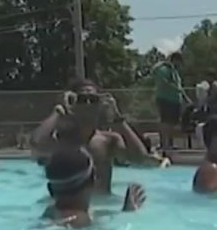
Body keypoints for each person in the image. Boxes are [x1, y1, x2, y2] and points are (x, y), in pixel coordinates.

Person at [31, 78, 167, 194]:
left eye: (94, 99)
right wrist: (59, 110)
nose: (89, 104)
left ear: (100, 105)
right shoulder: (60, 141)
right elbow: (36, 145)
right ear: (72, 104)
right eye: (83, 99)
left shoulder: (109, 141)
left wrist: (118, 120)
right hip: (68, 210)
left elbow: (140, 159)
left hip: (103, 209)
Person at [41, 147, 146, 228]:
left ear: (50, 189)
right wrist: (128, 216)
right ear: (93, 180)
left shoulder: (50, 212)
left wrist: (123, 211)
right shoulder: (80, 221)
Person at [152, 53, 188, 149]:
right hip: (165, 99)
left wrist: (186, 98)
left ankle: (170, 144)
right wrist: (175, 89)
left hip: (175, 100)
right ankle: (164, 144)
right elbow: (164, 82)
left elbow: (179, 86)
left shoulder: (175, 71)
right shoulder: (163, 69)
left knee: (172, 123)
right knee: (165, 122)